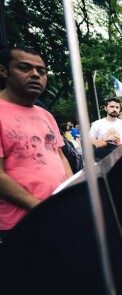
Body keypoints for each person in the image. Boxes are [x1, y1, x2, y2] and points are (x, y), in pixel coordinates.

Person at [0, 47, 73, 241]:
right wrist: (40, 208)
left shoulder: (45, 114)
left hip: (57, 215)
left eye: (41, 71)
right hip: (20, 224)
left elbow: (60, 157)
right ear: (4, 71)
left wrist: (72, 196)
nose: (35, 75)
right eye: (24, 68)